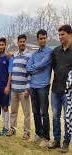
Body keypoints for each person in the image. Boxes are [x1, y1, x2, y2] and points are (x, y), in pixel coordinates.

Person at [26, 29, 52, 147]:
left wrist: (34, 68)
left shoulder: (49, 52)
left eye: (44, 38)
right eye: (40, 38)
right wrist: (37, 68)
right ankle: (38, 133)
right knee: (35, 111)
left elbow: (43, 64)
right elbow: (28, 68)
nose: (42, 40)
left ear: (46, 38)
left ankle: (46, 138)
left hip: (43, 86)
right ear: (37, 40)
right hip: (33, 86)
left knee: (44, 112)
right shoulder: (34, 54)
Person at [49, 24, 72, 153]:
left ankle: (66, 143)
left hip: (68, 92)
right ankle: (56, 141)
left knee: (67, 118)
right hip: (55, 89)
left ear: (70, 34)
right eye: (59, 35)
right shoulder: (56, 51)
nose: (60, 37)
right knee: (56, 116)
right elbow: (51, 67)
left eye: (62, 34)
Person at [7, 34, 32, 140]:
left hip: (23, 90)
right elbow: (11, 71)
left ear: (25, 42)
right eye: (20, 41)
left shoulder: (29, 56)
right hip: (14, 89)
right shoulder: (15, 55)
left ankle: (26, 132)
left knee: (26, 113)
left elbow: (30, 73)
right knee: (13, 111)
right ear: (17, 43)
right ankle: (12, 129)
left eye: (23, 41)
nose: (22, 43)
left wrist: (27, 88)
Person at [0, 37, 13, 136]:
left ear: (5, 45)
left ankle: (6, 128)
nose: (1, 46)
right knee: (2, 106)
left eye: (2, 44)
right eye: (0, 45)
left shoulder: (9, 57)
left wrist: (8, 86)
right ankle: (4, 127)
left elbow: (10, 73)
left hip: (5, 86)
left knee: (5, 107)